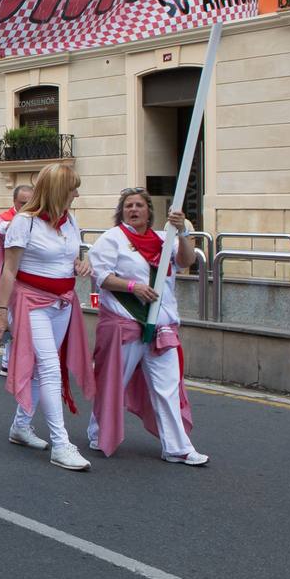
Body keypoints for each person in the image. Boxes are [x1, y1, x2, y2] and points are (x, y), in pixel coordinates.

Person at [87, 188, 207, 466]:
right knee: (113, 383)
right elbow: (101, 275)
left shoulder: (165, 240)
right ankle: (98, 431)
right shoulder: (112, 239)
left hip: (162, 329)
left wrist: (183, 233)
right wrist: (133, 287)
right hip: (126, 324)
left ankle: (177, 448)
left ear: (148, 210)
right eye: (128, 205)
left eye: (139, 205)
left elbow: (186, 261)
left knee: (168, 389)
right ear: (122, 210)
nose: (134, 209)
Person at [0, 163, 95, 472]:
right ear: (58, 191)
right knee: (50, 367)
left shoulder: (69, 222)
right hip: (30, 303)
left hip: (63, 303)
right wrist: (1, 313)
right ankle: (61, 444)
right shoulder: (25, 222)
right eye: (72, 188)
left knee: (41, 369)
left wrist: (81, 263)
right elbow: (9, 270)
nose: (77, 194)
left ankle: (20, 426)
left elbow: (69, 255)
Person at [0, 185, 34, 377]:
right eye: (22, 203)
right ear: (14, 202)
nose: (26, 206)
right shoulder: (4, 218)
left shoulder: (38, 218)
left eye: (30, 202)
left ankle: (22, 361)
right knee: (8, 321)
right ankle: (7, 361)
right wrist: (16, 223)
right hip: (9, 277)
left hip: (31, 278)